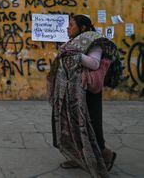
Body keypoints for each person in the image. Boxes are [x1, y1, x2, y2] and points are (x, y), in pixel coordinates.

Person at [47, 15, 121, 177]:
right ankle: (77, 156)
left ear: (83, 28)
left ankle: (105, 154)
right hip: (71, 93)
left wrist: (75, 55)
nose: (68, 28)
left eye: (71, 25)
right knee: (71, 125)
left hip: (87, 93)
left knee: (91, 126)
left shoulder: (94, 42)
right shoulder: (71, 43)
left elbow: (94, 64)